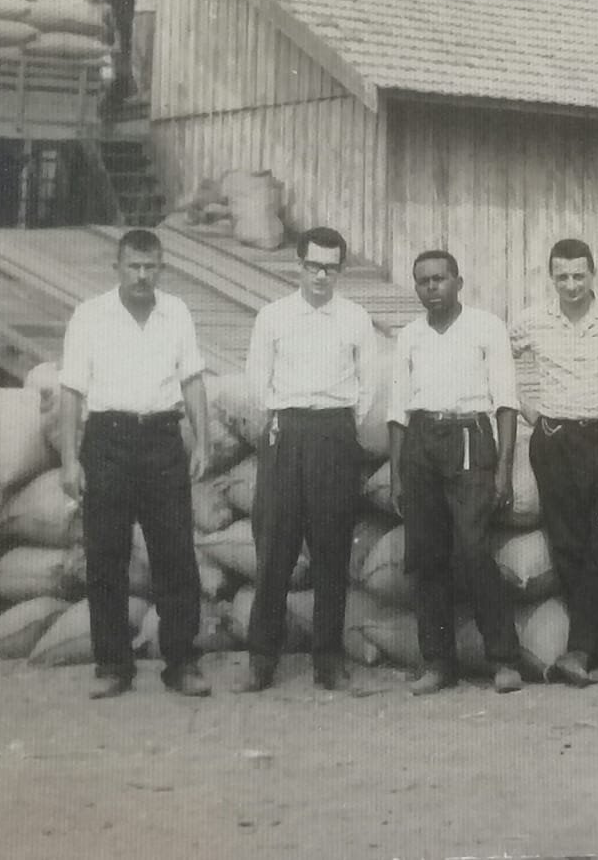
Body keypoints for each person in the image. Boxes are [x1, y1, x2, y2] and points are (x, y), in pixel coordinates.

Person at [58, 229, 211, 699]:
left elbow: (193, 381)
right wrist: (69, 457)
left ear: (161, 268)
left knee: (176, 556)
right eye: (134, 267)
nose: (142, 276)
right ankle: (113, 666)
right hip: (107, 440)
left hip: (163, 440)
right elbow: (71, 391)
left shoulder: (177, 313)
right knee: (106, 557)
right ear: (118, 267)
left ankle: (181, 663)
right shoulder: (90, 315)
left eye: (151, 267)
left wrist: (202, 441)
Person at [238, 227, 376, 693]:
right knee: (274, 547)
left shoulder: (355, 318)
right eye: (314, 265)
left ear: (340, 270)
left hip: (335, 432)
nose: (321, 275)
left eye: (331, 267)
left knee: (332, 551)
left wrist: (342, 426)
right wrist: (279, 420)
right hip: (286, 431)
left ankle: (328, 660)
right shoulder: (273, 316)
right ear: (299, 264)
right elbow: (257, 379)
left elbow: (369, 383)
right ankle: (261, 659)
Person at [388, 250, 523, 695]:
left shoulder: (487, 328)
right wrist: (396, 474)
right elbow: (397, 410)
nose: (432, 288)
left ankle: (503, 658)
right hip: (423, 440)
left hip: (470, 437)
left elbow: (505, 401)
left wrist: (503, 468)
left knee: (472, 549)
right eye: (423, 281)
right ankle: (438, 662)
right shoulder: (408, 336)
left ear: (458, 282)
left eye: (440, 279)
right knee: (427, 556)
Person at [510, 238, 598, 687]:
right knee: (566, 546)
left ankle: (582, 650)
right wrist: (530, 410)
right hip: (555, 440)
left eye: (579, 276)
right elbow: (496, 363)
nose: (571, 285)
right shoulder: (531, 321)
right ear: (551, 277)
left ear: (593, 274)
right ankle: (597, 653)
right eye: (562, 276)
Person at [129, 0, 157, 101]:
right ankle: (139, 90)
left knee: (147, 51)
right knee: (137, 53)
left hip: (149, 13)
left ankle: (148, 91)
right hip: (138, 13)